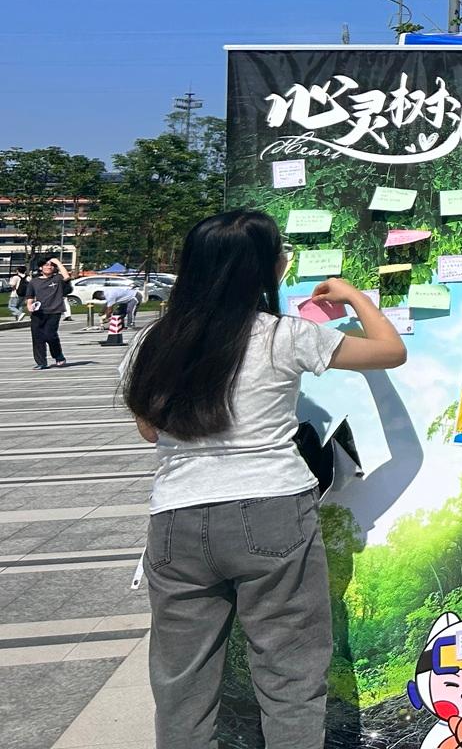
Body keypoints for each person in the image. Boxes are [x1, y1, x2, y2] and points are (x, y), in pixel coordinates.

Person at [121, 209, 407, 749]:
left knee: (181, 686)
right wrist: (352, 296)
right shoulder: (285, 336)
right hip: (271, 510)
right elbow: (391, 352)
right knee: (289, 677)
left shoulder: (151, 342)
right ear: (267, 268)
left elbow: (149, 430)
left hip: (176, 518)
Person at [22, 254, 71, 369]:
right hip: (38, 313)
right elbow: (30, 296)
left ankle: (58, 355)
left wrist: (58, 262)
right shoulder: (34, 282)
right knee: (37, 337)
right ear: (40, 268)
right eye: (46, 265)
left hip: (54, 311)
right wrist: (29, 306)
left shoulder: (57, 278)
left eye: (51, 265)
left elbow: (67, 277)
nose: (49, 267)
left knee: (50, 335)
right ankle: (41, 362)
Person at [101, 281, 140, 345]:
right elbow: (107, 305)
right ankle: (121, 325)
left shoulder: (110, 296)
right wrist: (102, 312)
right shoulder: (107, 292)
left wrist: (106, 318)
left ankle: (130, 325)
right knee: (118, 312)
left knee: (130, 310)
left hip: (134, 296)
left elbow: (110, 310)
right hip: (125, 299)